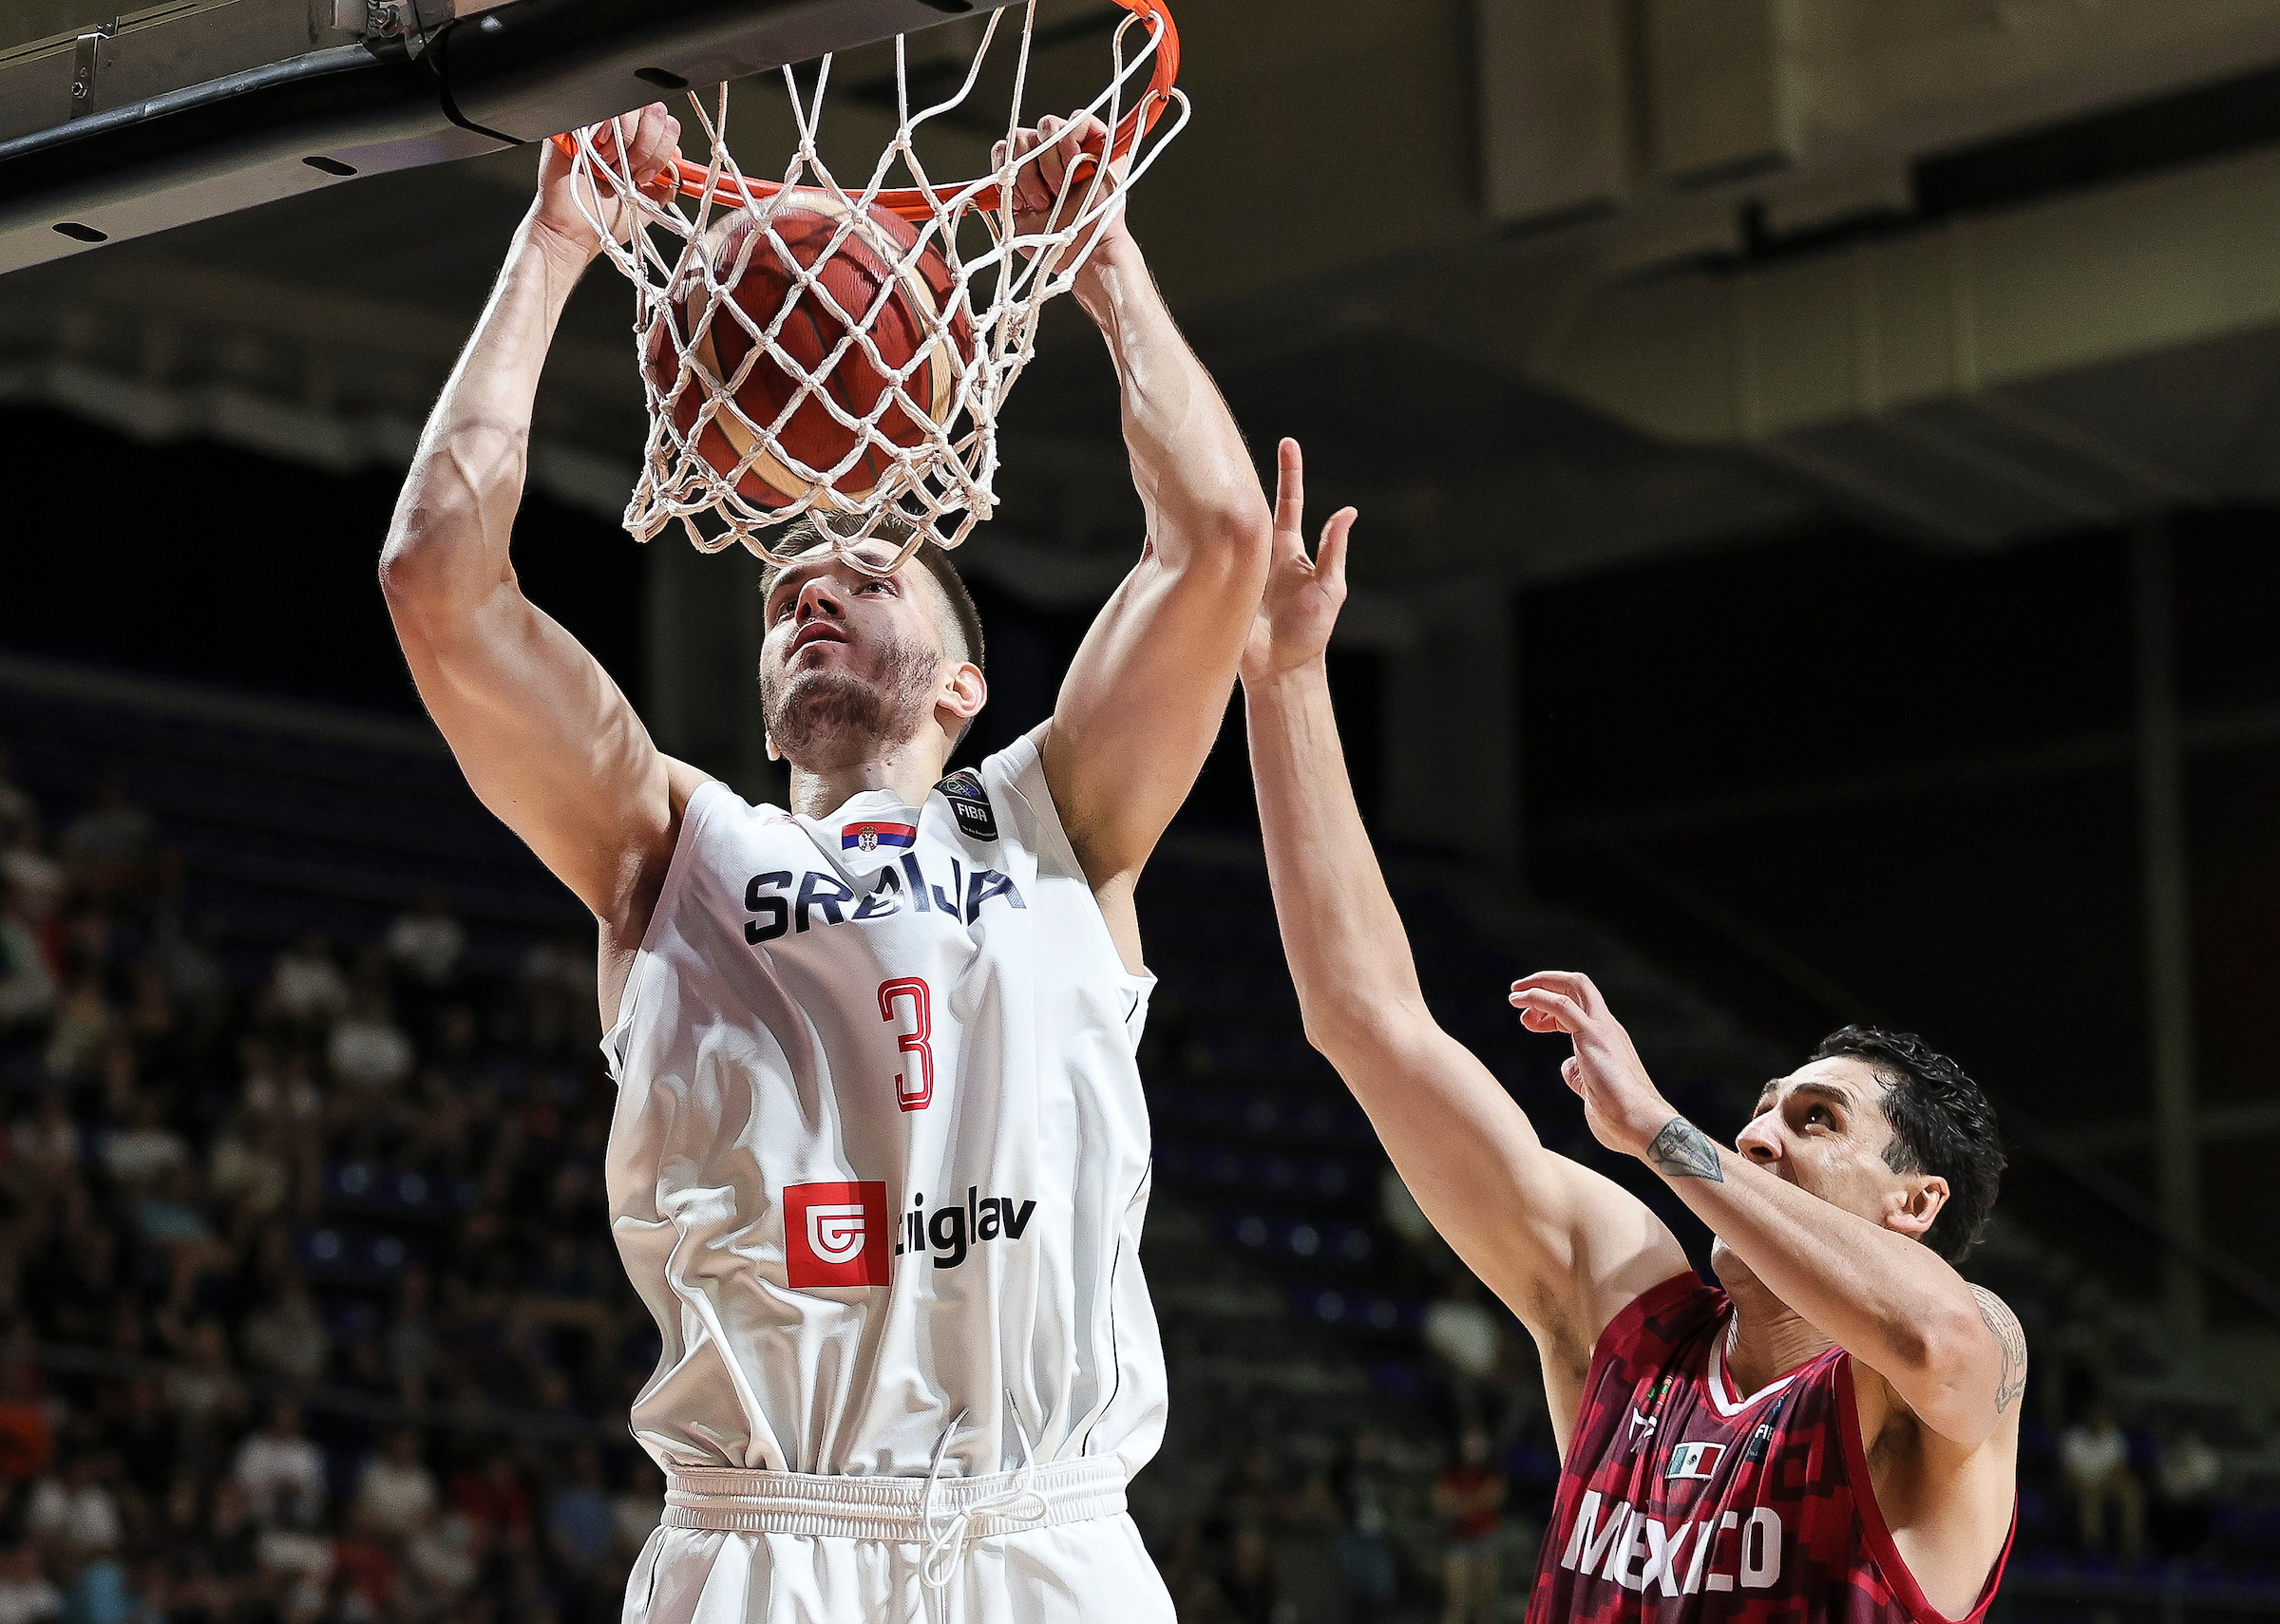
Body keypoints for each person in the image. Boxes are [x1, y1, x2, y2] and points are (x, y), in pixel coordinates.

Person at [377, 103, 1271, 1624]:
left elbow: (1216, 545)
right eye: (792, 579)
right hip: (766, 1537)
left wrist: (1102, 259)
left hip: (1044, 1532)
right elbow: (437, 583)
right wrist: (553, 242)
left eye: (872, 568)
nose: (814, 579)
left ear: (961, 686)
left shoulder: (1061, 817)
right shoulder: (675, 845)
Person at [1241, 447, 2020, 1622]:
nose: (1757, 1136)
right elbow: (1366, 1020)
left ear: (1916, 1205)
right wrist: (1284, 678)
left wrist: (1662, 1133)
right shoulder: (1630, 1307)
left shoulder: (1944, 1378)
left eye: (1817, 1121)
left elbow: (1934, 1332)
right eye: (1761, 1108)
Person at [1434, 1429, 1506, 1624]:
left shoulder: (1491, 1472)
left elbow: (1495, 1496)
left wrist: (1461, 1505)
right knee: (1458, 1601)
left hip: (1486, 1539)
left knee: (1488, 1602)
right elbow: (1442, 1503)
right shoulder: (1451, 1472)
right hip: (1460, 1540)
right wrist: (1476, 1503)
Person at [2059, 1403, 2143, 1561]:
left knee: (2132, 1493)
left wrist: (2099, 1486)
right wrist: (2090, 1487)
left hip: (2106, 1484)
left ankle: (2130, 1543)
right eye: (2094, 1414)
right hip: (2079, 1485)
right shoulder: (2073, 1438)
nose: (2097, 1419)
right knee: (2090, 1497)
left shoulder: (2114, 1437)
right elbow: (2069, 1472)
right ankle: (2093, 1546)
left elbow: (2119, 1470)